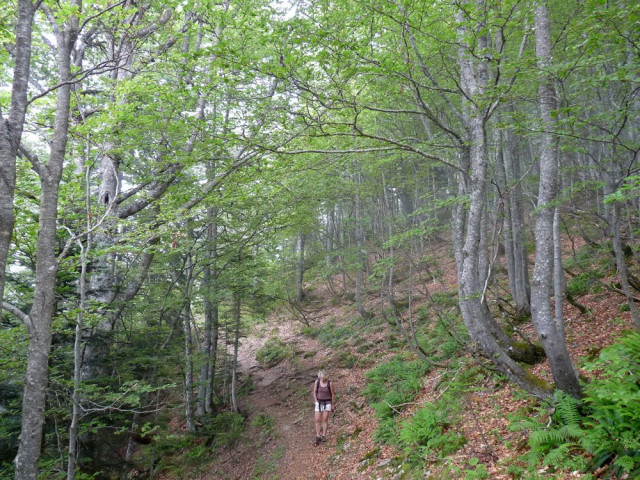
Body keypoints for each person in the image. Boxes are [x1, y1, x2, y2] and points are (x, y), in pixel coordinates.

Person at [313, 370, 335, 445]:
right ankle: (318, 435)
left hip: (327, 402)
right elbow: (314, 392)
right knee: (317, 419)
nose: (322, 379)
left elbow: (332, 394)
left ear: (326, 377)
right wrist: (316, 401)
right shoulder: (317, 382)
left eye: (323, 378)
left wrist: (332, 404)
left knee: (325, 419)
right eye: (321, 377)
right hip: (319, 402)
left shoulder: (330, 383)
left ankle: (324, 435)